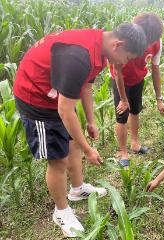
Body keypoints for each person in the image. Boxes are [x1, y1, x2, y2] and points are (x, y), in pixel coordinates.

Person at [13, 23, 147, 237]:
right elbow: (65, 111)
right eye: (128, 57)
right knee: (57, 159)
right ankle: (61, 211)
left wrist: (91, 121)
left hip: (58, 95)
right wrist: (89, 150)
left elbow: (86, 86)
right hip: (37, 97)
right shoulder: (79, 56)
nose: (125, 63)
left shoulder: (100, 50)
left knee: (73, 143)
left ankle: (77, 189)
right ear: (118, 44)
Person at [110, 13, 164, 168]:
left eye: (151, 40)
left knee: (136, 111)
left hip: (138, 79)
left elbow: (155, 69)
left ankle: (135, 144)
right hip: (120, 80)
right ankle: (123, 152)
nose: (148, 44)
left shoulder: (157, 43)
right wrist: (123, 99)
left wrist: (159, 99)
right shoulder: (124, 41)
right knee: (122, 116)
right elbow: (117, 72)